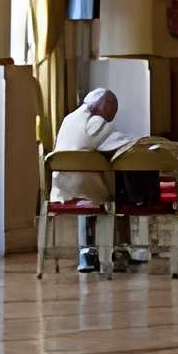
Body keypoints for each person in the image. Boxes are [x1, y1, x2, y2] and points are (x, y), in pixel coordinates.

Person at [54, 88, 125, 273]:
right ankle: (115, 250)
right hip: (88, 189)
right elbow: (114, 144)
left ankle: (87, 252)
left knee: (91, 188)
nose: (112, 116)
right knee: (117, 194)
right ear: (102, 106)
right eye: (112, 110)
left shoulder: (69, 119)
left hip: (61, 186)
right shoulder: (98, 123)